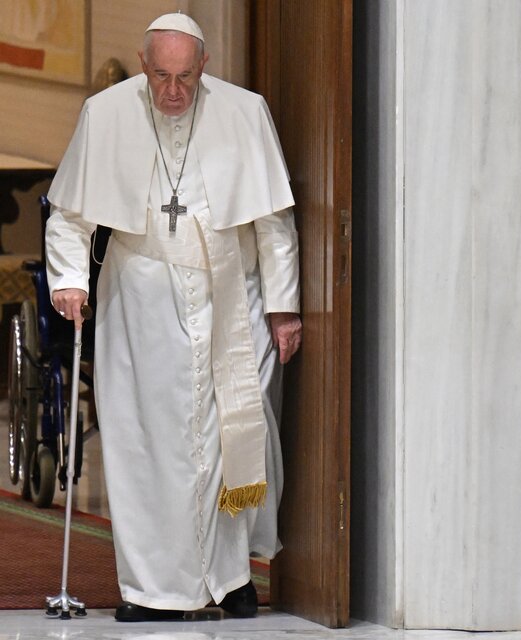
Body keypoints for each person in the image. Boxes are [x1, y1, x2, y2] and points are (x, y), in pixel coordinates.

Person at [45, 13, 302, 622]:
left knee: (227, 440)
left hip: (227, 296)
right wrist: (70, 280)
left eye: (185, 77)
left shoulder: (244, 112)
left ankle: (231, 579)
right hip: (141, 298)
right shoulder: (106, 115)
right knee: (145, 445)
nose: (173, 92)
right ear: (143, 65)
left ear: (204, 67)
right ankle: (149, 589)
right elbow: (70, 217)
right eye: (161, 76)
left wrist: (284, 307)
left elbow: (273, 223)